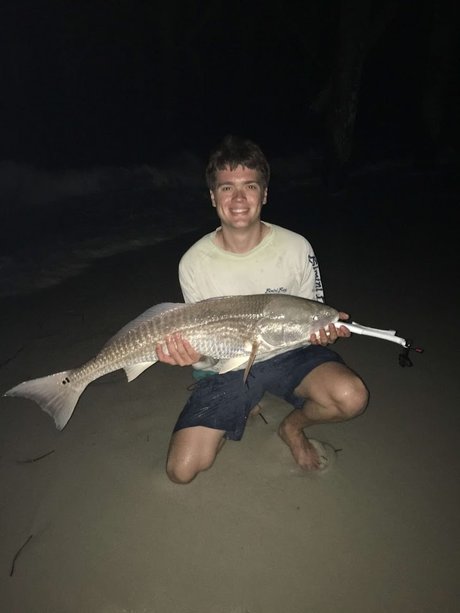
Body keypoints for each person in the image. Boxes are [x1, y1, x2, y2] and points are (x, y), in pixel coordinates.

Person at [156, 135, 369, 484]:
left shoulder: (296, 247)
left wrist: (322, 332)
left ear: (265, 194)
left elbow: (311, 313)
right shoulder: (194, 262)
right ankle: (240, 404)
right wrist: (190, 355)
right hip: (229, 364)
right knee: (182, 471)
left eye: (250, 186)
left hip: (291, 354)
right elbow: (206, 345)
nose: (239, 198)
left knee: (351, 396)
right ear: (213, 196)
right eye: (227, 188)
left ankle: (292, 428)